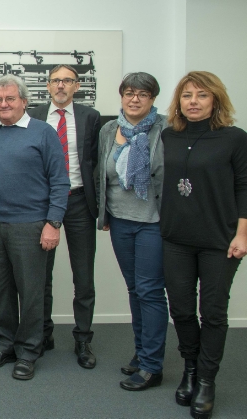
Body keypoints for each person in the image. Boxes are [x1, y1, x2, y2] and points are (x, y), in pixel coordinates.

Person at [161, 71, 247, 419]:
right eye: (187, 95)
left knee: (212, 313)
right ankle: (191, 370)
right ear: (179, 102)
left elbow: (244, 186)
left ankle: (207, 381)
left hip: (219, 241)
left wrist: (243, 234)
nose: (193, 101)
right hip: (176, 239)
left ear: (216, 100)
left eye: (201, 95)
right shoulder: (168, 135)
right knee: (181, 310)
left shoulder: (235, 138)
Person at [0, 75, 69, 381]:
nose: (3, 104)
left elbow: (60, 181)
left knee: (31, 292)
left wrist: (53, 223)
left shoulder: (43, 132)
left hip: (31, 225)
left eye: (10, 99)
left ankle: (29, 350)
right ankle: (4, 344)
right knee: (0, 290)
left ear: (24, 102)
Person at [96, 72, 167, 391]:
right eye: (129, 93)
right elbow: (102, 174)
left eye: (142, 94)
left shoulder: (166, 129)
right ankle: (142, 353)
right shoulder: (109, 129)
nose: (134, 99)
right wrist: (104, 213)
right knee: (135, 289)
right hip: (120, 221)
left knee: (150, 290)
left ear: (152, 98)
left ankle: (152, 366)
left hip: (153, 221)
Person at [29, 64, 101, 369]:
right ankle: (43, 334)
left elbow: (96, 161)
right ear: (47, 85)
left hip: (79, 202)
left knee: (83, 277)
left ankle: (83, 339)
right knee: (41, 275)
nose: (61, 85)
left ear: (76, 86)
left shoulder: (90, 117)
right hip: (43, 204)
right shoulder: (33, 115)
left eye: (67, 80)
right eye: (56, 80)